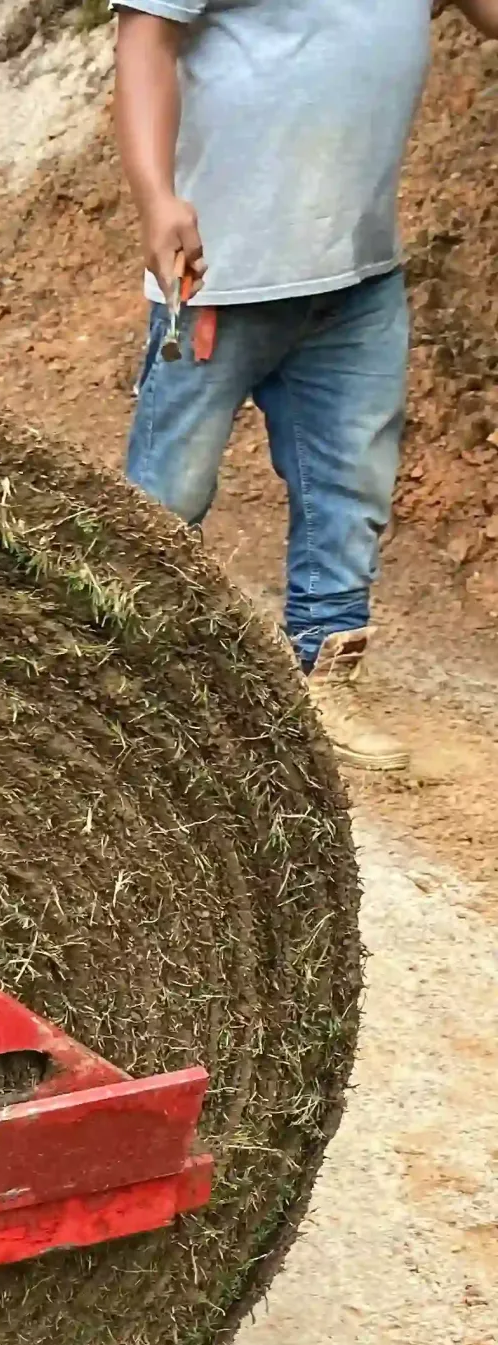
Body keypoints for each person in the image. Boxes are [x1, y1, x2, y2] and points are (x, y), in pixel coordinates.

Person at [114, 0, 498, 772]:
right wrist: (157, 198)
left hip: (358, 271)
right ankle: (126, 687)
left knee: (350, 486)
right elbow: (143, 39)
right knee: (167, 497)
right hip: (221, 274)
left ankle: (322, 681)